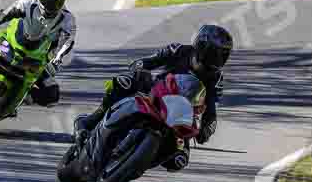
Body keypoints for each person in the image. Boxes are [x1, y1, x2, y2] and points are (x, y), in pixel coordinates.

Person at [74, 24, 233, 172]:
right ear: (202, 46)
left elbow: (211, 110)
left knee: (179, 160)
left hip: (179, 116)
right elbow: (149, 61)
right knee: (123, 83)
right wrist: (140, 68)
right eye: (215, 52)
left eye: (223, 54)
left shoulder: (216, 79)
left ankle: (135, 165)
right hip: (154, 93)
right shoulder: (179, 50)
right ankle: (90, 121)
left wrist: (206, 129)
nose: (218, 58)